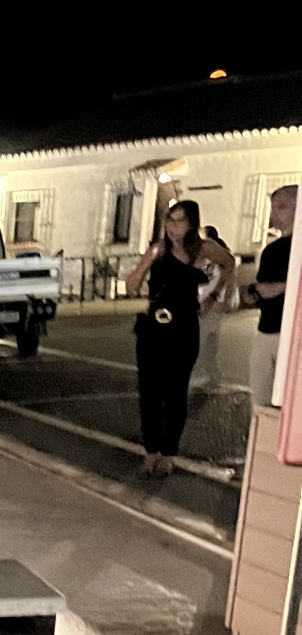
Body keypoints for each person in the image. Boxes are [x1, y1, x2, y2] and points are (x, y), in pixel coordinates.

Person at [125, 198, 235, 476]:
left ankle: (168, 454)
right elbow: (132, 287)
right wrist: (146, 263)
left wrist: (213, 296)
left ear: (192, 224)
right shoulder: (159, 249)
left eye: (179, 221)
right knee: (150, 393)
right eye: (169, 221)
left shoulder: (204, 249)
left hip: (184, 328)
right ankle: (150, 452)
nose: (173, 227)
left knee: (175, 393)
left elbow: (229, 263)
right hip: (152, 327)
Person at [247, 185, 295, 412]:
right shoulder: (271, 250)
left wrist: (283, 287)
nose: (274, 214)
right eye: (273, 208)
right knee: (261, 399)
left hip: (292, 334)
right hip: (266, 329)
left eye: (281, 207)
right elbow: (262, 287)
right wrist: (254, 293)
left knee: (289, 401)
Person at [192, 223, 235, 396]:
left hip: (214, 301)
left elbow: (230, 275)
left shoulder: (216, 255)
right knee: (209, 339)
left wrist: (225, 299)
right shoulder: (209, 256)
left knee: (201, 338)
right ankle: (213, 375)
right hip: (208, 300)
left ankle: (203, 374)